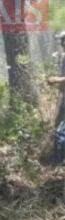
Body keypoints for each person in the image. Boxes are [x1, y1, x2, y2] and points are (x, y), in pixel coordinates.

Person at [46, 31, 65, 166]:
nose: (62, 43)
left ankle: (60, 162)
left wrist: (56, 79)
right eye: (62, 41)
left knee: (61, 131)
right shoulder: (63, 57)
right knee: (58, 127)